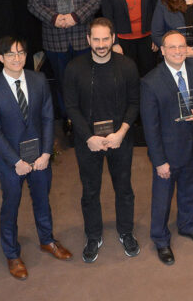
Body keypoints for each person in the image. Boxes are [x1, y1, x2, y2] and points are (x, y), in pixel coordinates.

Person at [0, 36, 72, 280]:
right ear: (1, 58)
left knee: (42, 200)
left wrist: (45, 153)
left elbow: (48, 117)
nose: (17, 58)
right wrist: (15, 162)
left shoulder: (38, 79)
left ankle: (47, 240)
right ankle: (12, 254)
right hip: (12, 162)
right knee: (10, 206)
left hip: (39, 157)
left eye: (21, 52)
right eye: (11, 54)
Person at [63, 18, 140, 263]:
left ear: (113, 37)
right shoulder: (74, 68)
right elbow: (71, 107)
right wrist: (88, 137)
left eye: (105, 38)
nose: (101, 44)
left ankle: (126, 232)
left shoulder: (127, 66)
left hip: (120, 140)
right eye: (95, 39)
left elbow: (134, 103)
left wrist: (121, 133)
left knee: (124, 189)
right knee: (90, 191)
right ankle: (93, 235)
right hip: (88, 143)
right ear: (88, 40)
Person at [140, 30, 193, 266]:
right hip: (167, 154)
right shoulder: (150, 82)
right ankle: (161, 240)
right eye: (172, 47)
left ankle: (188, 225)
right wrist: (159, 160)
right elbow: (150, 127)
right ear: (162, 51)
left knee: (191, 190)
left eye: (182, 46)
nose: (178, 51)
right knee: (162, 199)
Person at [27, 0, 100, 123]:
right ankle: (69, 121)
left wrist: (76, 16)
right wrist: (54, 18)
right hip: (55, 39)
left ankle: (89, 120)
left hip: (82, 37)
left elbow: (95, 0)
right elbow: (33, 3)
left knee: (87, 82)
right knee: (62, 83)